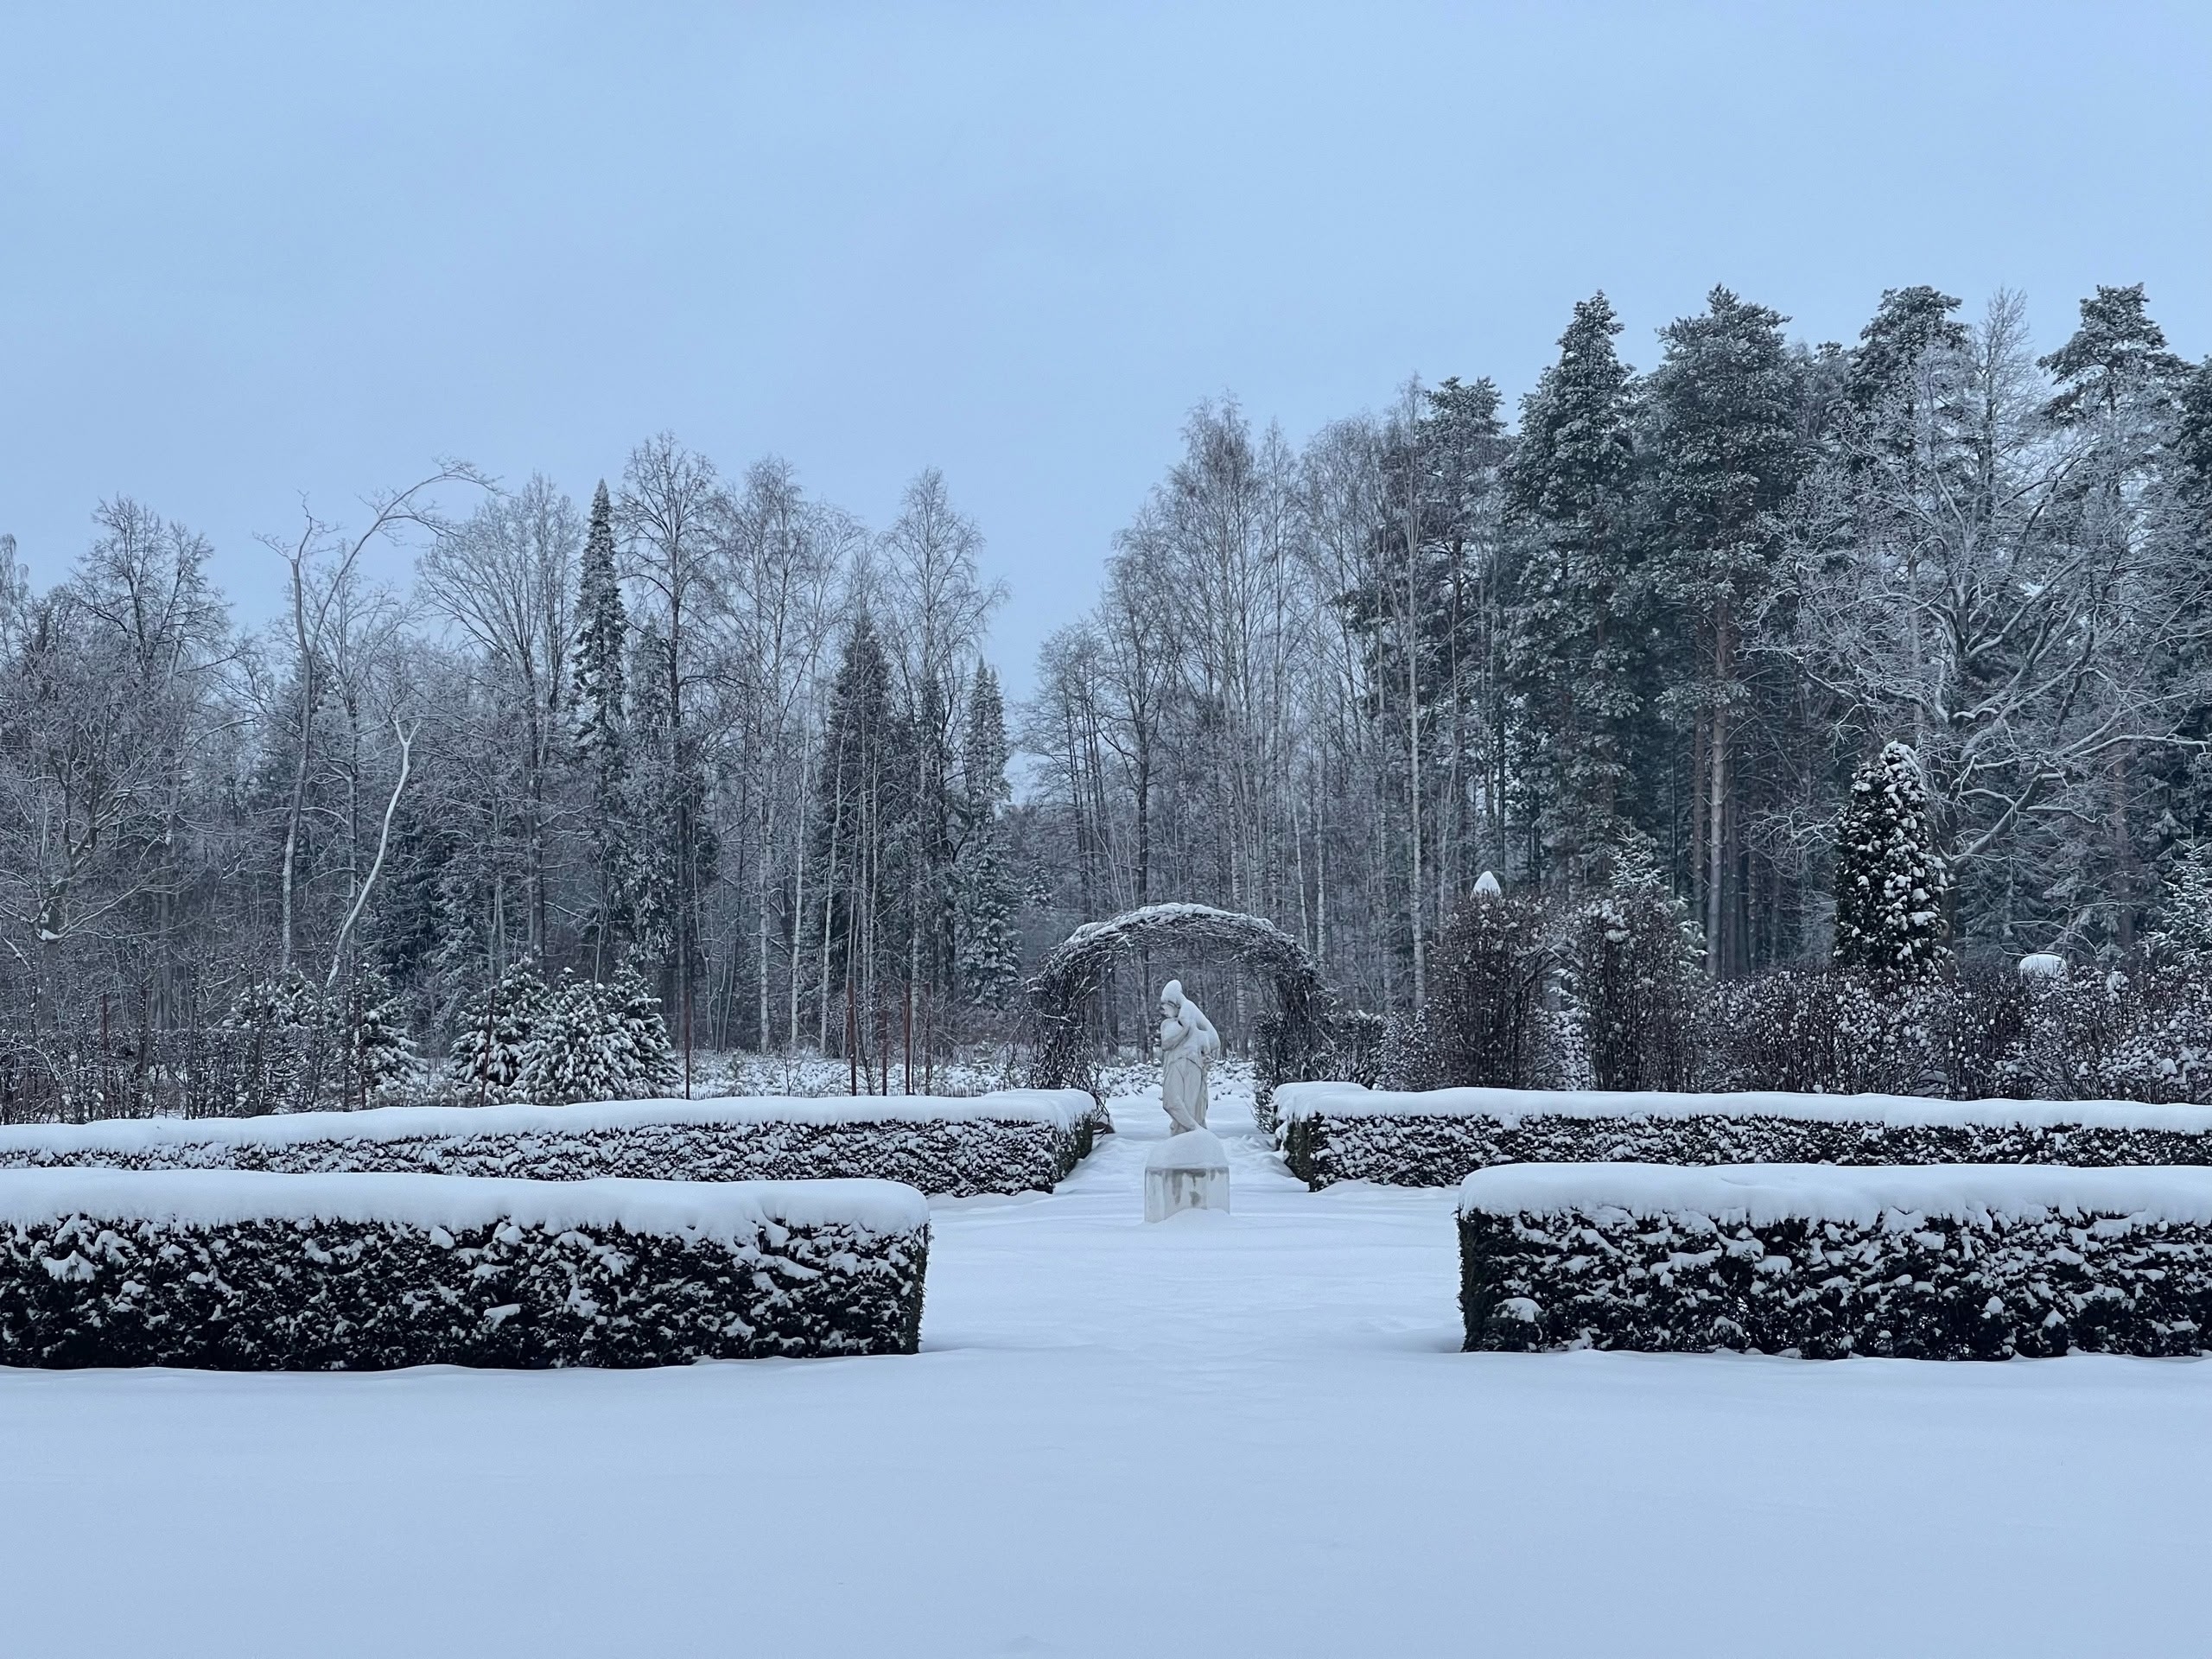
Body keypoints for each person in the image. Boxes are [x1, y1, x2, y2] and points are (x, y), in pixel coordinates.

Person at [1157, 978, 1221, 1134]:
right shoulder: (1168, 1024)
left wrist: (1201, 1042)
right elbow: (1166, 1045)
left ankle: (1193, 1137)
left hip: (1193, 1065)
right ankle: (1196, 1131)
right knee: (1170, 1102)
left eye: (1165, 1007)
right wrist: (1186, 1030)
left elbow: (1214, 1040)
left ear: (1174, 1003)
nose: (1164, 1012)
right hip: (1175, 1065)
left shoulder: (1191, 1014)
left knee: (1191, 1107)